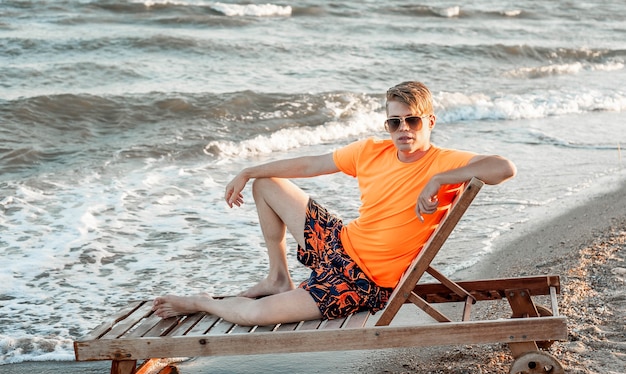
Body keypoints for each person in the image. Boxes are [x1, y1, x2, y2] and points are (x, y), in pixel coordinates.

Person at [153, 81, 516, 326]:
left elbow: (504, 167)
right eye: (394, 122)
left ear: (429, 121)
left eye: (412, 120)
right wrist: (248, 170)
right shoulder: (371, 151)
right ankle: (278, 276)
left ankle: (200, 301)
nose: (404, 129)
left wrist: (438, 180)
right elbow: (312, 164)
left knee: (256, 314)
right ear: (387, 125)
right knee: (266, 184)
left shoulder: (446, 162)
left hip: (360, 281)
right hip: (339, 241)